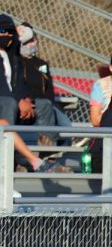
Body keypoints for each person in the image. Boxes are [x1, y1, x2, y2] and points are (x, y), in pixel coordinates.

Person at [0, 14, 54, 173]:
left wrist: (27, 100)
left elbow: (19, 84)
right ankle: (12, 161)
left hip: (11, 102)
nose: (7, 35)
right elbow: (2, 85)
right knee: (7, 102)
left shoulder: (12, 57)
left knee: (45, 105)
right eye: (2, 30)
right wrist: (18, 100)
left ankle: (47, 152)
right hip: (5, 103)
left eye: (10, 31)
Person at [17, 23, 70, 146]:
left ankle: (54, 148)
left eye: (33, 40)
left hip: (46, 103)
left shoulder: (41, 64)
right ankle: (48, 150)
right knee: (45, 106)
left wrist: (49, 102)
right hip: (30, 102)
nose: (31, 44)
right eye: (27, 42)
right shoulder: (17, 63)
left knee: (65, 124)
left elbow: (49, 89)